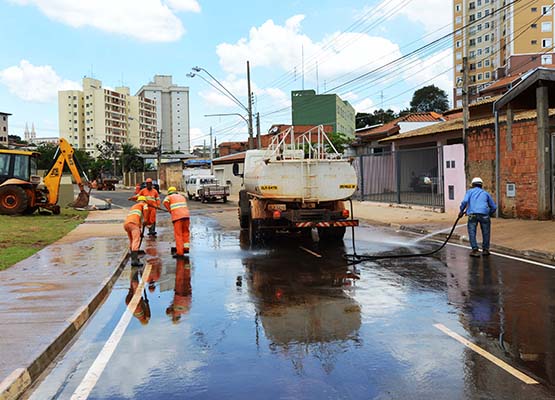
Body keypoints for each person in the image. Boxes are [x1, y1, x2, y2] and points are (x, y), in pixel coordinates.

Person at [459, 177, 497, 257]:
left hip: (472, 215)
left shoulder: (469, 192)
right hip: (484, 215)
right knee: (486, 232)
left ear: (472, 185)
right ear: (481, 185)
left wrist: (461, 211)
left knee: (472, 232)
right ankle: (485, 250)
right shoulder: (485, 193)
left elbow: (465, 201)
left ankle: (475, 250)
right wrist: (488, 213)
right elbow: (493, 207)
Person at [163, 187, 190, 258]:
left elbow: (165, 202)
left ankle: (180, 253)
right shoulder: (182, 196)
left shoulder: (169, 197)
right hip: (186, 216)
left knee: (178, 234)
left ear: (169, 192)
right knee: (185, 232)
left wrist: (170, 210)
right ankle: (186, 248)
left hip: (177, 217)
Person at [124, 196, 149, 267]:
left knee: (132, 241)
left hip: (127, 224)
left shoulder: (134, 206)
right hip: (134, 224)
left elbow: (138, 219)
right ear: (144, 201)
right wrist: (146, 220)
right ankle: (134, 261)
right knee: (136, 241)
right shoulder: (143, 204)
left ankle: (133, 258)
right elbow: (146, 211)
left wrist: (140, 231)